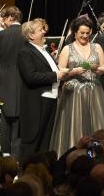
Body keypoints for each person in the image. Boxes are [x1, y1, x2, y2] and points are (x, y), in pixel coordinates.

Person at [50, 16, 104, 154]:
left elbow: (103, 68)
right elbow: (60, 71)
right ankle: (75, 154)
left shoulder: (96, 47)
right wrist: (73, 71)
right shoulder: (68, 49)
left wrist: (96, 69)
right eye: (82, 33)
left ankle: (97, 154)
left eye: (87, 33)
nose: (85, 36)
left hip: (93, 90)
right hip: (74, 92)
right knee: (76, 124)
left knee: (96, 124)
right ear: (75, 33)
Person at [16, 19, 66, 161]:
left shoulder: (42, 50)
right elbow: (31, 77)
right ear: (31, 35)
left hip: (49, 100)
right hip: (36, 103)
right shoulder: (25, 52)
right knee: (33, 142)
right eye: (40, 30)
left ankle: (41, 173)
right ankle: (25, 174)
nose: (44, 32)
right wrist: (56, 75)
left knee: (45, 142)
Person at [0, 6, 23, 157]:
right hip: (22, 79)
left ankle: (5, 153)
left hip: (4, 79)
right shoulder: (26, 33)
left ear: (9, 18)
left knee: (5, 116)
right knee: (19, 117)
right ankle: (16, 156)